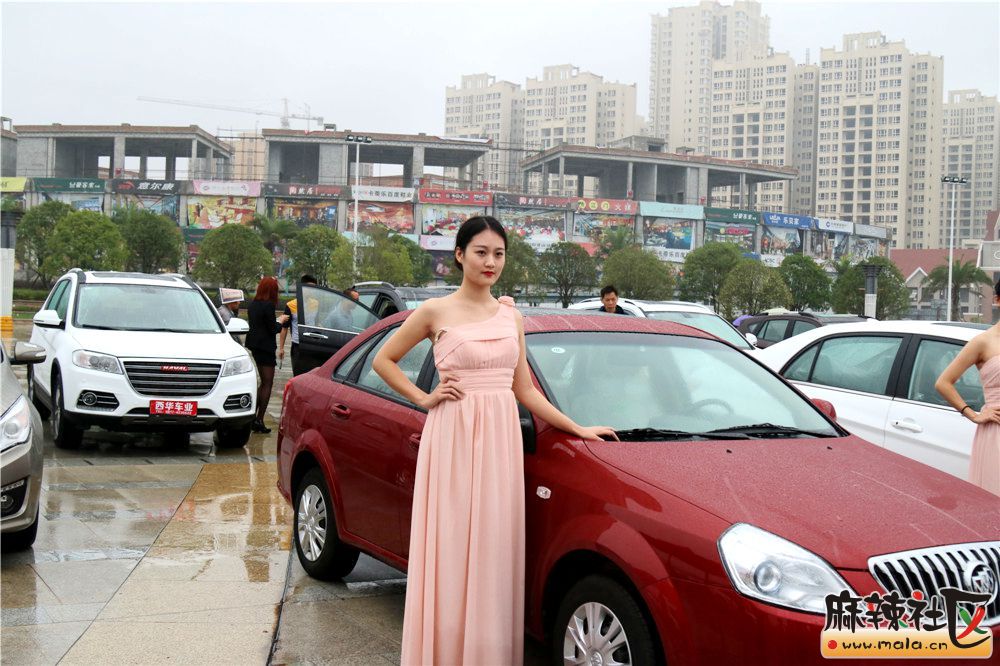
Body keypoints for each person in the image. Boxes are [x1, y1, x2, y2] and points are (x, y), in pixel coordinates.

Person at [371, 216, 616, 665]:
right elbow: (383, 360)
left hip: (500, 446)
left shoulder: (511, 316)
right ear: (459, 255)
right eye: (481, 252)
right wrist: (423, 397)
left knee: (492, 550)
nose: (491, 262)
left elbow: (525, 390)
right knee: (450, 547)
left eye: (499, 254)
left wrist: (577, 427)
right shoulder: (434, 311)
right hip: (452, 439)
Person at [935, 283, 1000, 496]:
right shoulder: (983, 342)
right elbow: (944, 382)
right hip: (996, 431)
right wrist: (973, 414)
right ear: (997, 300)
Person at [245, 276, 288, 434]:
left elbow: (260, 325)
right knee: (267, 383)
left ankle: (251, 416)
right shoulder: (268, 305)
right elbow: (273, 328)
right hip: (266, 347)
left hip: (255, 346)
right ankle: (259, 419)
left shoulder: (253, 305)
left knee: (263, 382)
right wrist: (280, 321)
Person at [279, 274, 318, 376]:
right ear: (302, 287)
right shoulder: (291, 305)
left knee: (312, 375)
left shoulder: (316, 303)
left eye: (313, 288)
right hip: (298, 345)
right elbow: (284, 328)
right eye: (309, 287)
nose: (312, 290)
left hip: (313, 344)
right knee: (298, 374)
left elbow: (317, 322)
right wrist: (281, 348)